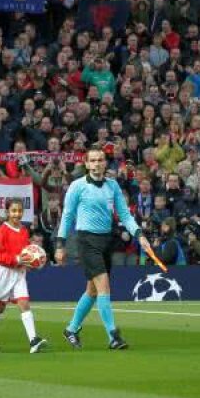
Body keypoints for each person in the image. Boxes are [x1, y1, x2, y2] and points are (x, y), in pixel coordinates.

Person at [56, 145, 155, 350]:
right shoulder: (77, 186)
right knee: (104, 286)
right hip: (86, 240)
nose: (97, 164)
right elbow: (66, 216)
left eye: (100, 160)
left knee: (92, 291)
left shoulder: (112, 185)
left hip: (106, 240)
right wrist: (60, 244)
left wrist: (139, 235)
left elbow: (125, 215)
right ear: (86, 164)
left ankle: (71, 329)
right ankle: (113, 336)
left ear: (105, 163)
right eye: (92, 160)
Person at [0, 199, 46, 353]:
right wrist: (16, 259)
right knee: (0, 306)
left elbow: (25, 252)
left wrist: (29, 263)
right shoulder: (2, 230)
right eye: (13, 211)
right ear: (7, 212)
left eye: (19, 211)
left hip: (19, 272)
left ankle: (33, 340)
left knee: (24, 303)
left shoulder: (24, 230)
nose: (17, 214)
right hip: (3, 272)